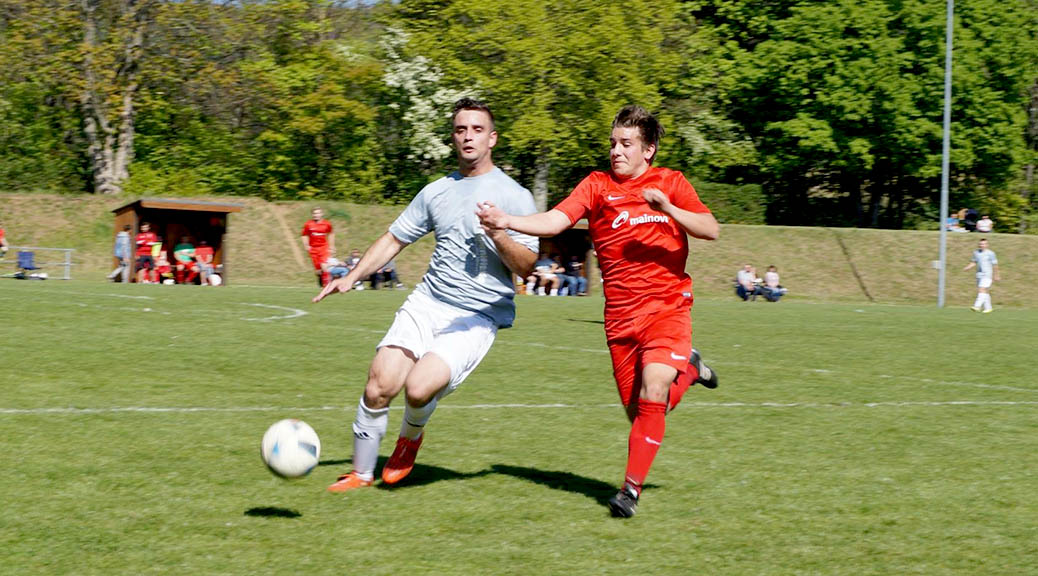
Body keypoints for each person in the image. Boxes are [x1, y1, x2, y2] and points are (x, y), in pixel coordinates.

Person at [478, 104, 720, 518]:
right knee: (640, 412)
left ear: (648, 150)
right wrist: (506, 221)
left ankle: (629, 491)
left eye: (626, 144)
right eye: (613, 143)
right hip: (620, 319)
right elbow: (556, 221)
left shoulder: (671, 183)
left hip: (667, 308)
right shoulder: (596, 185)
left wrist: (668, 209)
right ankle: (691, 371)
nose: (616, 151)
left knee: (654, 388)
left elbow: (711, 229)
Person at [313, 97, 539, 493]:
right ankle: (360, 474)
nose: (468, 136)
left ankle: (410, 438)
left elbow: (526, 266)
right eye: (461, 129)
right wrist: (353, 276)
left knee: (418, 389)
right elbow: (394, 238)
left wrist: (498, 234)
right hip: (429, 301)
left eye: (477, 129)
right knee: (379, 383)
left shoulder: (515, 195)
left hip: (477, 315)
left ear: (492, 138)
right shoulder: (436, 191)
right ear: (453, 138)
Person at [301, 207, 335, 287]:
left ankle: (327, 285)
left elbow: (331, 233)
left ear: (322, 214)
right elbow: (304, 235)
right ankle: (321, 279)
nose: (316, 215)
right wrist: (306, 245)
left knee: (324, 266)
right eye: (315, 213)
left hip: (324, 248)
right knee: (318, 271)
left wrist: (332, 246)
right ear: (312, 215)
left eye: (318, 213)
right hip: (313, 249)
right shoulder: (308, 224)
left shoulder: (327, 224)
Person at [964, 237, 999, 313]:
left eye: (984, 244)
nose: (982, 245)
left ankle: (977, 306)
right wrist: (968, 267)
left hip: (987, 275)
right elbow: (974, 262)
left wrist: (996, 275)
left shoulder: (991, 253)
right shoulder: (976, 253)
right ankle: (988, 308)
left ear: (987, 245)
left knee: (981, 289)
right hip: (979, 275)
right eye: (981, 244)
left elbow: (995, 265)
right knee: (984, 291)